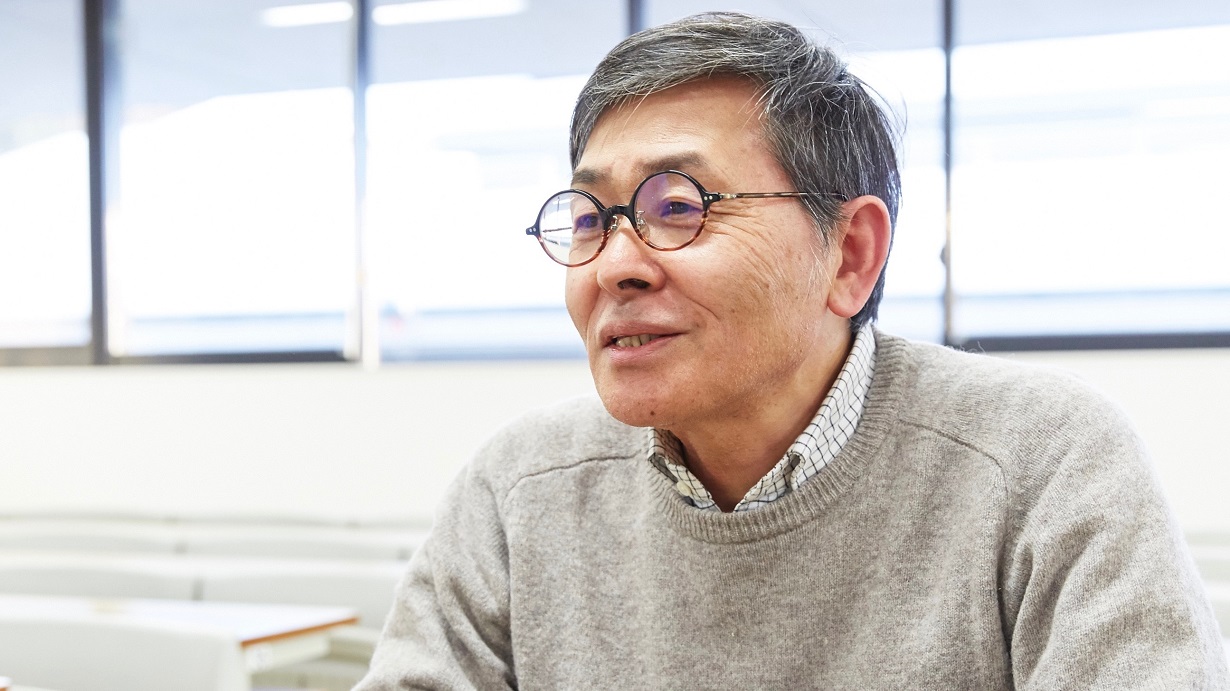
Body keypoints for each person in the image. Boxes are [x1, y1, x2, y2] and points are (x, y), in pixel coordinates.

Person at [357, 12, 1227, 689]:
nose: (615, 264)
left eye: (677, 205)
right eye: (591, 217)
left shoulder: (1044, 460)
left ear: (849, 255)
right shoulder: (519, 487)